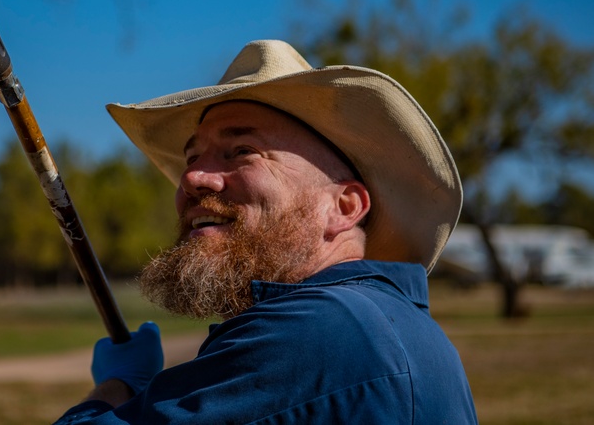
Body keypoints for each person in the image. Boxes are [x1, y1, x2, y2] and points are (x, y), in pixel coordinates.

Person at [53, 40, 478, 424]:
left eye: (242, 151)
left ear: (344, 207)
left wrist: (114, 389)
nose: (193, 178)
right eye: (193, 158)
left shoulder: (319, 331)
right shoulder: (387, 322)